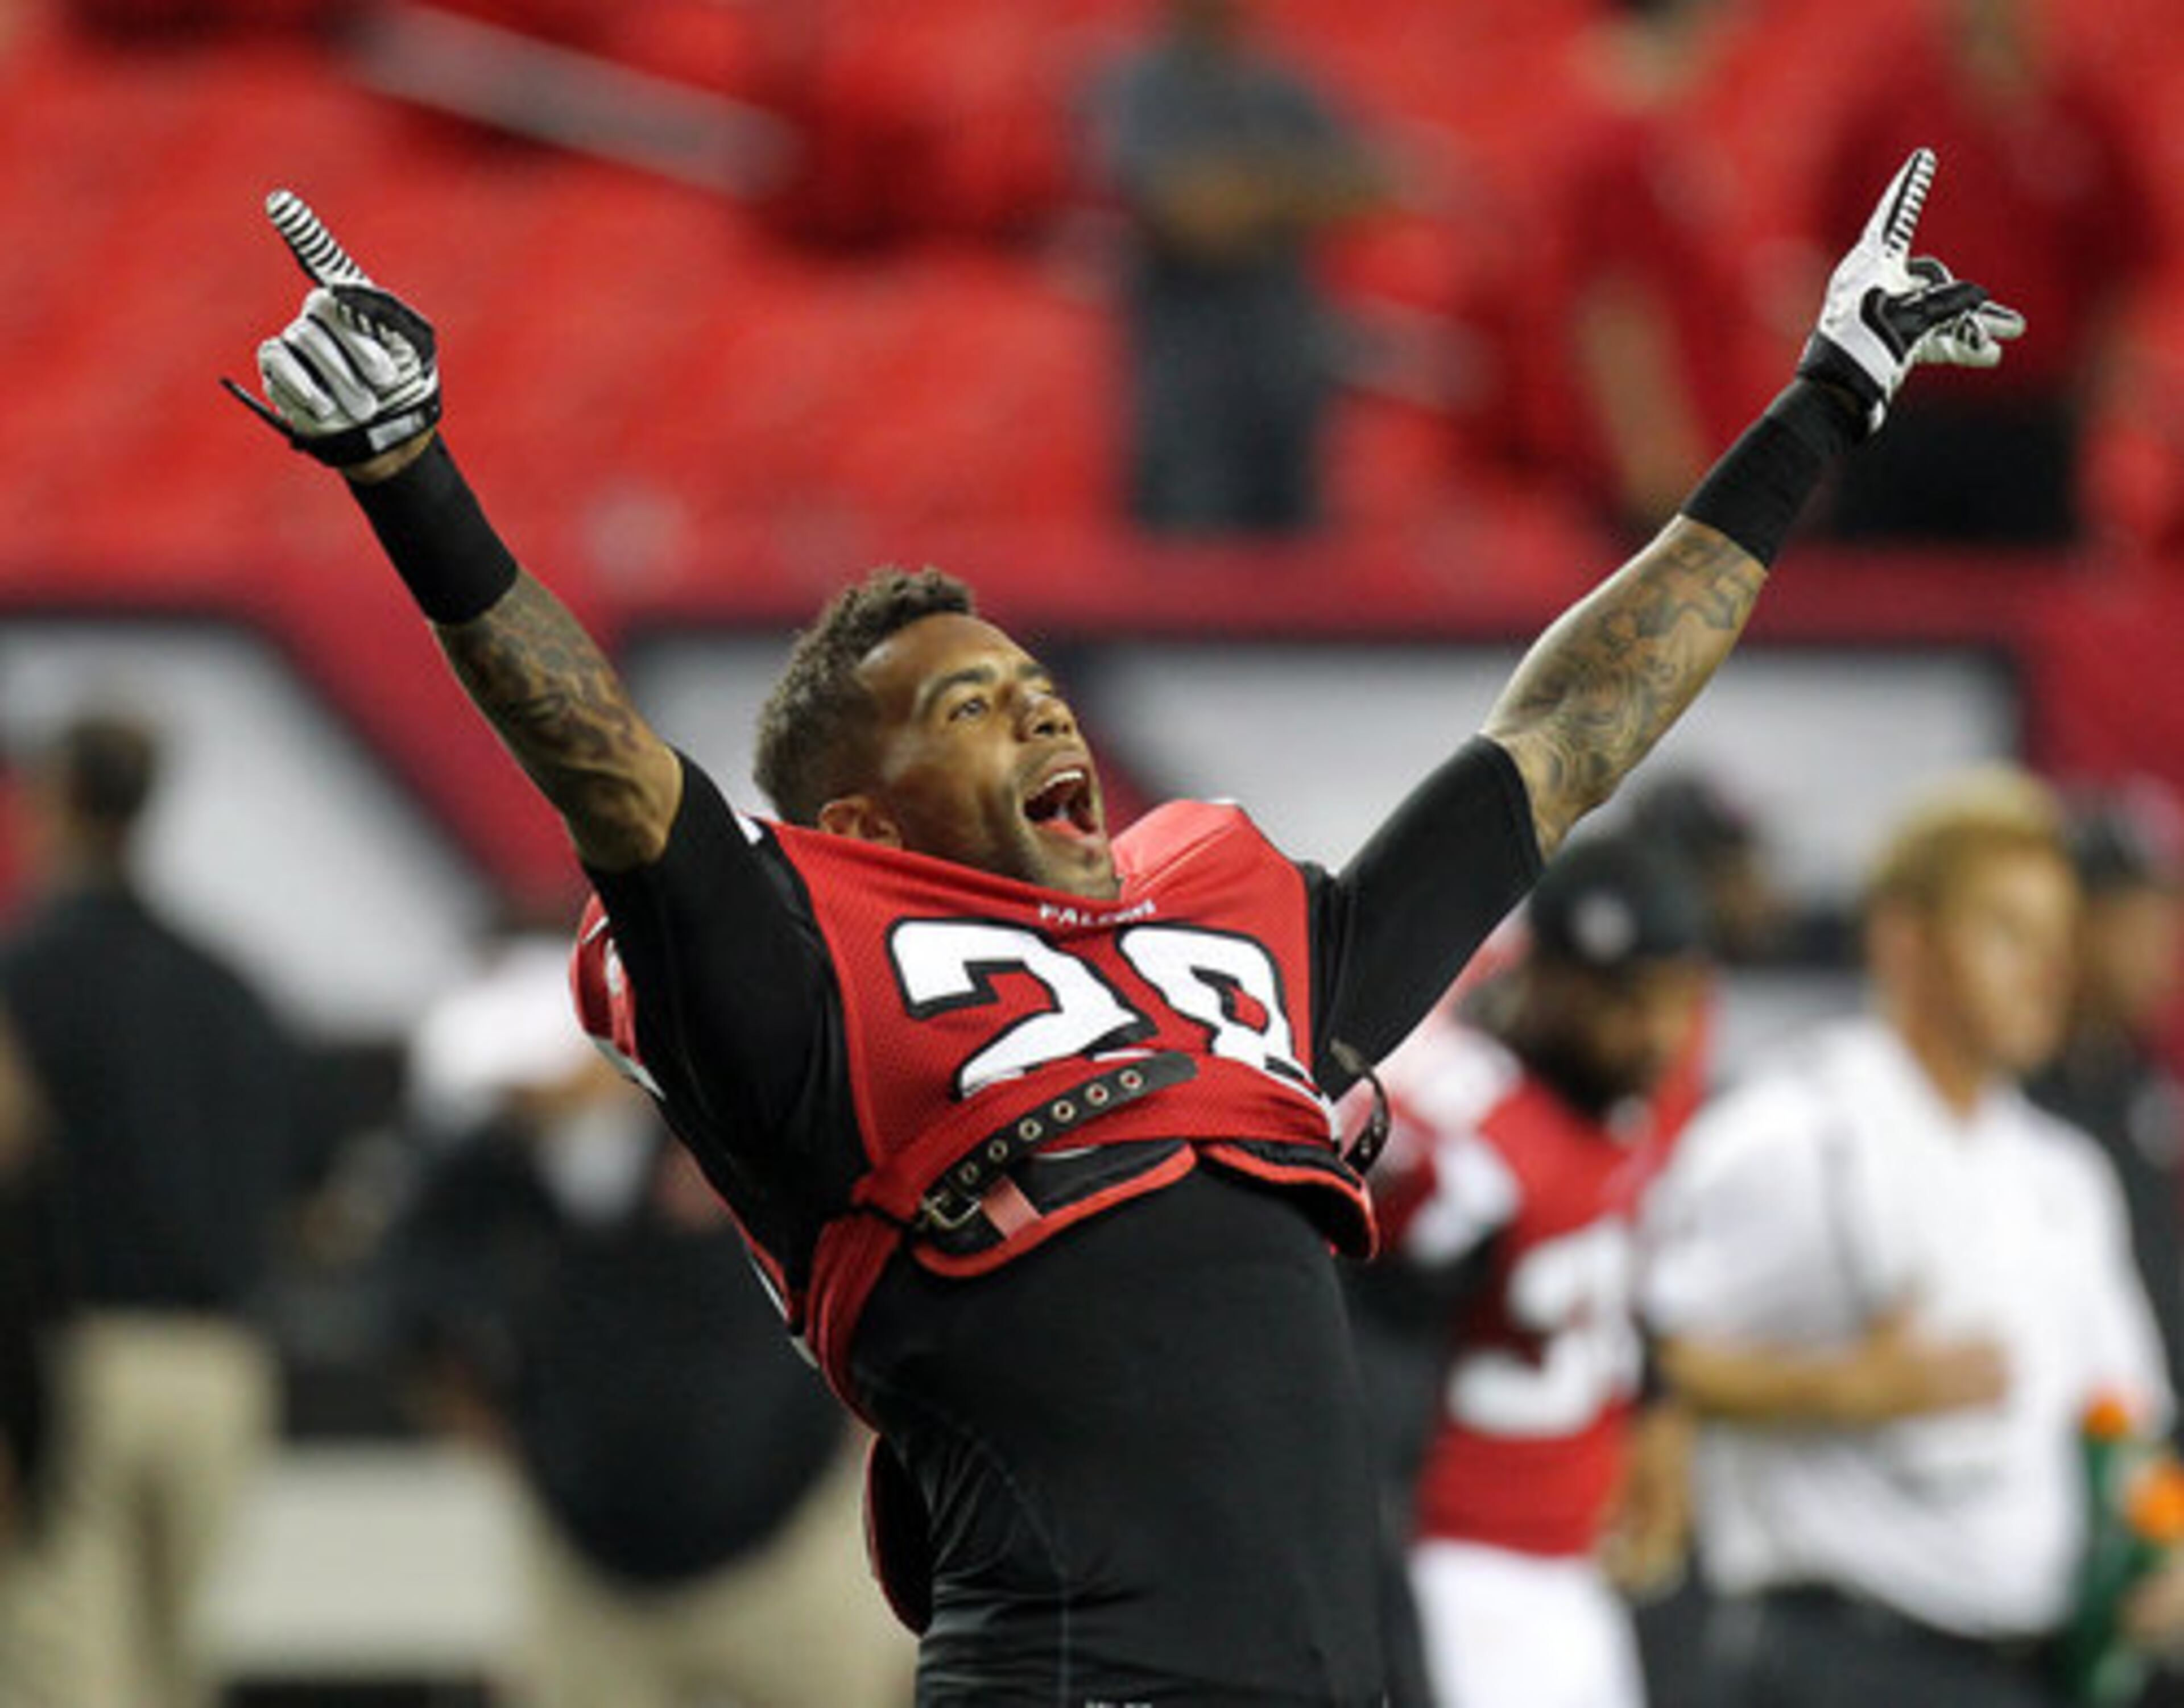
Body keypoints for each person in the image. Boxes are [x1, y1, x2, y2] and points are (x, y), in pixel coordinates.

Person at [230, 148, 2018, 1703]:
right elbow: (607, 768)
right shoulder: (796, 969)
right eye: (964, 708)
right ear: (854, 825)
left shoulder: (1238, 943)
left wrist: (1824, 401)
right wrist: (414, 481)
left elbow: (1561, 738)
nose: (1033, 711)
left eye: (1027, 682)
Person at [1645, 768, 2184, 1708]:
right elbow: (1639, 1356)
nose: (2044, 971)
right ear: (1906, 940)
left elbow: (2123, 1412)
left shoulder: (2065, 1170)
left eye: (2056, 939)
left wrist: (2164, 1543)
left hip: (2033, 1662)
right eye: (2008, 931)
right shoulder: (1798, 1131)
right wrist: (1844, 1386)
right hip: (1842, 1654)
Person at [383, 930, 915, 1708]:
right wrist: (477, 1411)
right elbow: (414, 1300)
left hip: (789, 1528)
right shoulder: (484, 1170)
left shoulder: (736, 1118)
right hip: (588, 1551)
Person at [1361, 835, 1711, 1708]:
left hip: (1582, 1565)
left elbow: (1621, 1269)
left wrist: (1656, 1407)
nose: (1659, 1033)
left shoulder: (1640, 1078)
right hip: (1468, 1568)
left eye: (1676, 1002)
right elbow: (1371, 1380)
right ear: (1551, 982)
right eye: (1630, 1004)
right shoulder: (1467, 1143)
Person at [0, 712, 305, 1708]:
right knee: (184, 1671)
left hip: (74, 1364)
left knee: (73, 1666)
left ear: (58, 800)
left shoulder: (24, 980)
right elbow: (309, 1179)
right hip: (222, 1366)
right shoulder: (229, 986)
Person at [1804, 0, 2158, 546]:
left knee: (2022, 598)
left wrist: (2087, 406)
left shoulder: (2080, 118)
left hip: (2025, 418)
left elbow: (2117, 276)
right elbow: (1837, 259)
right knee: (1886, 599)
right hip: (1903, 411)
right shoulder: (1892, 111)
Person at [1089, 0, 1385, 535]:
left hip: (1288, 372)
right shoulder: (1146, 83)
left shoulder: (1281, 86)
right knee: (1191, 578)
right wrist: (1299, 190)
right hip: (1189, 389)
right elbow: (1190, 212)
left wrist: (1250, 191)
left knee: (1296, 580)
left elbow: (1377, 184)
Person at [2029, 788, 2184, 1442]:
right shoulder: (2021, 1087)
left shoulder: (2133, 1079)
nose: (2165, 954)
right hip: (2067, 1441)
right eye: (2140, 924)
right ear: (2075, 924)